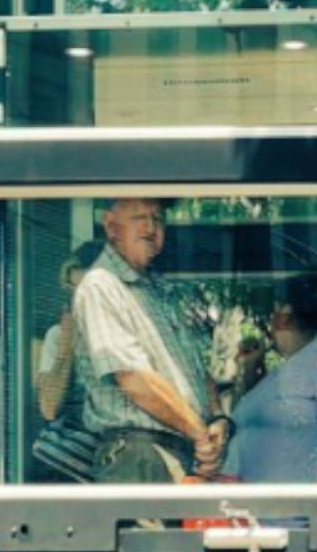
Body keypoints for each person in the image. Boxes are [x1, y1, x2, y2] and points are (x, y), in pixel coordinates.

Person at [72, 198, 230, 483]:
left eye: (157, 218)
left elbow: (197, 372)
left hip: (177, 453)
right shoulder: (101, 284)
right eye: (139, 217)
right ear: (110, 225)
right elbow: (134, 379)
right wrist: (199, 433)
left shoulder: (162, 291)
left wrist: (217, 419)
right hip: (138, 456)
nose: (150, 228)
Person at [227, 274, 317, 482]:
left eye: (271, 313)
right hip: (262, 497)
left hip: (308, 497)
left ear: (284, 314)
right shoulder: (291, 367)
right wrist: (248, 374)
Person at [32, 240, 105, 482]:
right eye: (73, 292)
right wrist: (67, 346)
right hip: (59, 463)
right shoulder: (58, 336)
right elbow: (49, 408)